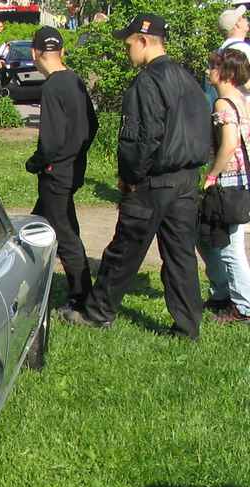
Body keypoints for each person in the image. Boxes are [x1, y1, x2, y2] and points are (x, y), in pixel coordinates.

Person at [61, 14, 212, 340]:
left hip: (152, 180)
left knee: (124, 250)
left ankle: (97, 313)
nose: (127, 50)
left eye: (128, 43)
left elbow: (140, 138)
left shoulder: (147, 82)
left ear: (143, 41)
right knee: (181, 255)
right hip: (187, 179)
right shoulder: (188, 79)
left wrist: (129, 177)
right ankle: (188, 327)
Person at [25, 27, 98, 311]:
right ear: (62, 51)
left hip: (56, 172)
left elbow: (51, 141)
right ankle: (25, 281)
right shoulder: (74, 79)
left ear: (34, 53)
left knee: (65, 235)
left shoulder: (52, 86)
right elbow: (93, 125)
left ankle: (81, 298)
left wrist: (37, 161)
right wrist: (77, 154)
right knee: (35, 226)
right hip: (72, 169)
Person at [200, 49, 250, 324]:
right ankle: (221, 293)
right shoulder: (242, 99)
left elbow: (229, 144)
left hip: (228, 181)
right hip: (241, 180)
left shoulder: (222, 104)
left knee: (230, 247)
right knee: (205, 236)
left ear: (226, 73)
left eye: (212, 67)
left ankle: (244, 306)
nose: (208, 71)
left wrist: (211, 175)